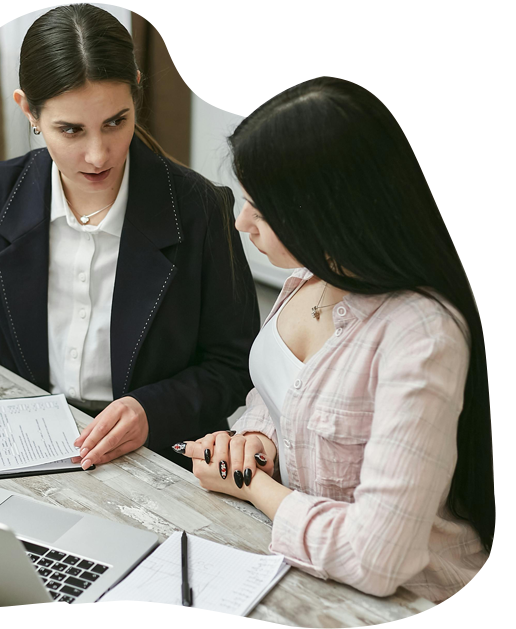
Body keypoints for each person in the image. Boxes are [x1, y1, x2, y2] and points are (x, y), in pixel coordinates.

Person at [0, 3, 259, 470]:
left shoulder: (199, 209)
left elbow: (235, 365)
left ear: (136, 91)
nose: (98, 155)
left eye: (116, 122)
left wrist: (151, 410)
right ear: (28, 110)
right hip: (19, 444)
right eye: (71, 130)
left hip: (155, 457)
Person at [175, 77, 494, 602]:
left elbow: (377, 558)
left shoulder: (421, 334)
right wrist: (258, 443)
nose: (240, 222)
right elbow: (281, 396)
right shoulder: (312, 273)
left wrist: (254, 486)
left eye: (260, 209)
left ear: (327, 211)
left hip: (403, 600)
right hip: (299, 570)